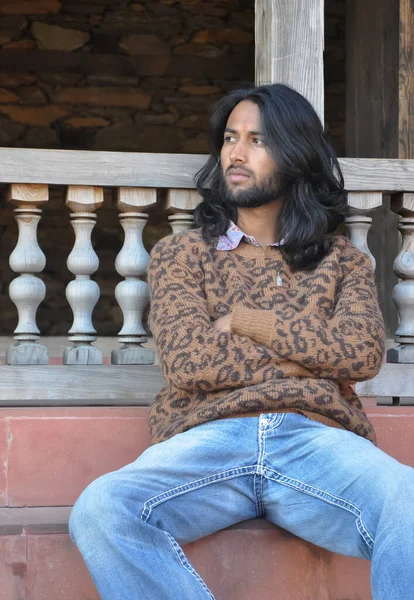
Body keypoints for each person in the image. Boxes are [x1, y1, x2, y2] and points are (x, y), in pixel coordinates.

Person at [69, 84, 414, 600]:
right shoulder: (181, 255)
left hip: (314, 440)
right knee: (101, 509)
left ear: (296, 155)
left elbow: (361, 354)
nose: (235, 152)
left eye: (256, 140)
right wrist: (311, 362)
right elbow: (190, 363)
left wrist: (246, 320)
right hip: (206, 438)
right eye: (230, 138)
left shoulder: (343, 261)